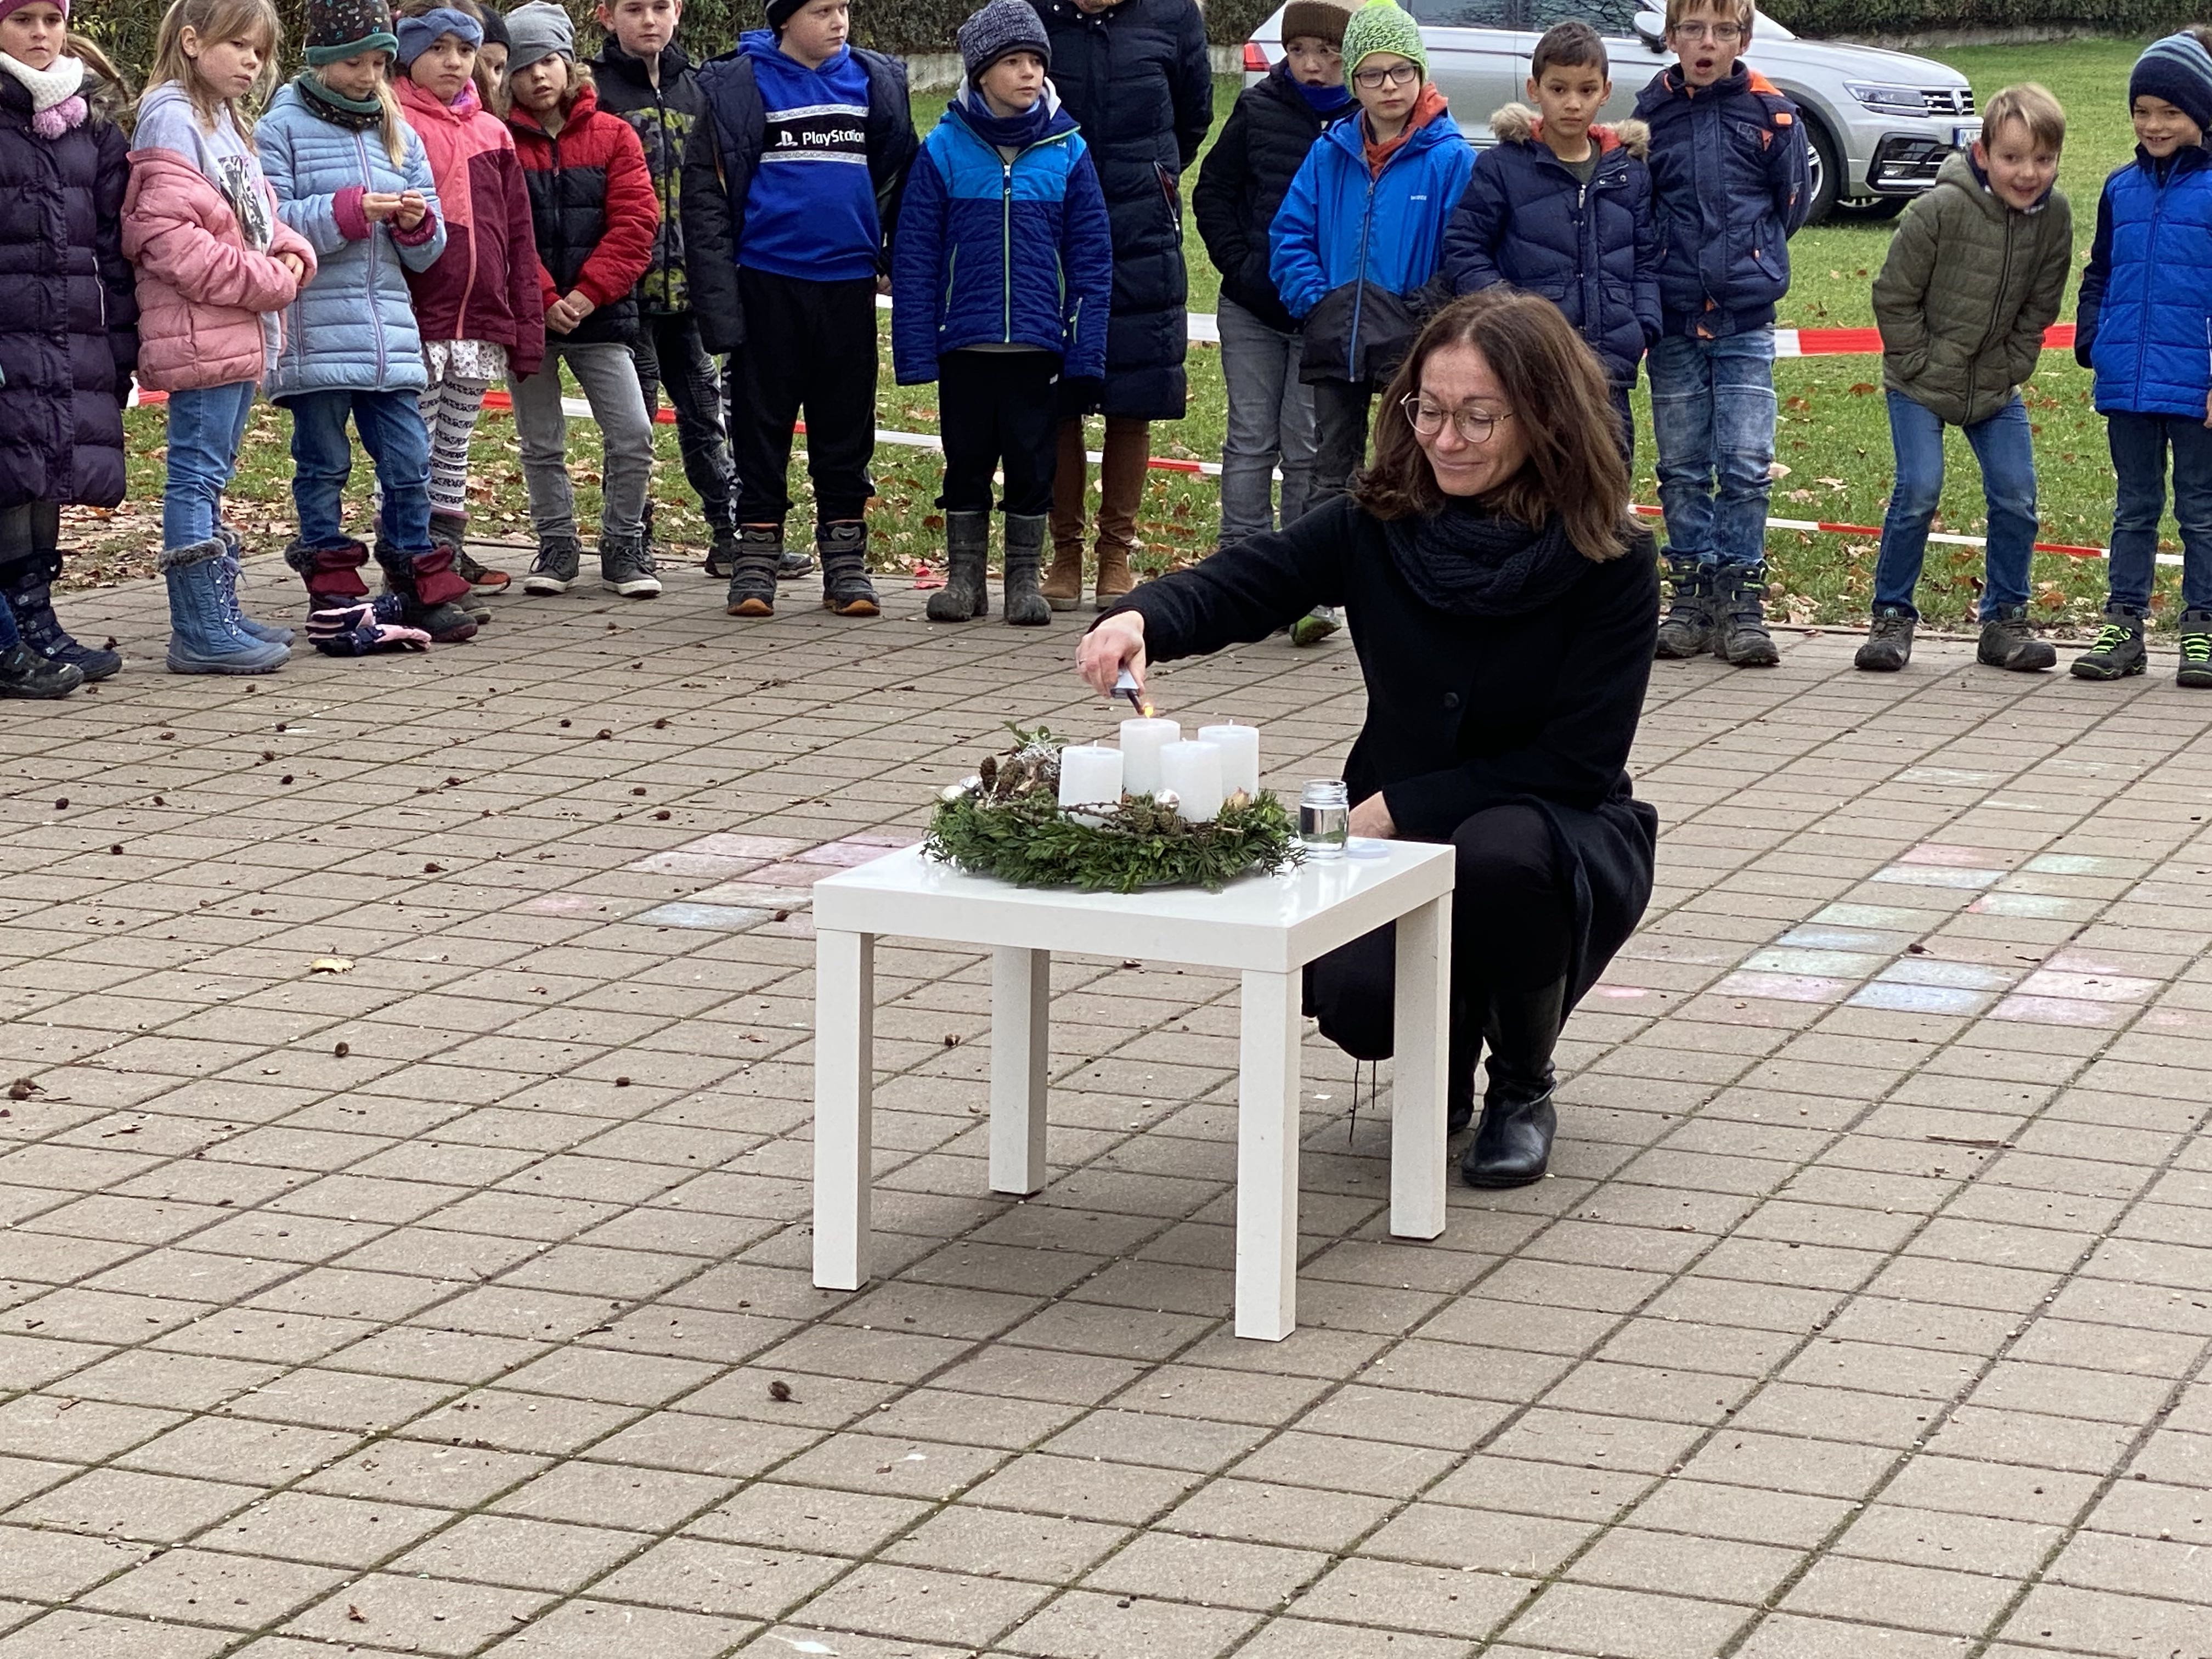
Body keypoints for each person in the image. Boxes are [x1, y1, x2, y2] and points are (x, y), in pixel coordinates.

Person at [1078, 291, 1660, 1188]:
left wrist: (1396, 807)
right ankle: (1443, 1039)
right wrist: (1140, 617)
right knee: (1360, 1004)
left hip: (1554, 824)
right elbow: (1253, 580)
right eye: (1426, 410)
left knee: (1499, 855)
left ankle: (1519, 1083)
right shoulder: (1379, 519)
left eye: (1477, 416)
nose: (1445, 437)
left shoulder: (1608, 557)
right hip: (1391, 821)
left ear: (1545, 415)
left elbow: (1576, 759)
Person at [683, 0, 916, 619]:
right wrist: (719, 304)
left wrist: (894, 252)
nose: (838, 20)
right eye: (821, 10)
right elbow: (705, 200)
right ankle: (755, 555)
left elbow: (903, 176)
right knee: (761, 425)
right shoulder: (737, 84)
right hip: (766, 282)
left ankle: (845, 562)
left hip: (847, 285)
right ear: (785, 20)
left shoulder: (875, 81)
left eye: (844, 7)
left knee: (846, 426)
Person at [257, 0, 471, 647]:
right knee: (322, 461)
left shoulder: (395, 125)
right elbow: (271, 220)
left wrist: (417, 225)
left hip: (388, 334)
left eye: (379, 63)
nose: (367, 75)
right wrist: (351, 211)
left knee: (409, 461)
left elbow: (427, 243)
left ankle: (413, 580)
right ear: (320, 60)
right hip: (317, 330)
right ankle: (331, 584)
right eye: (354, 61)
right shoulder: (279, 126)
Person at [891, 0, 1111, 628]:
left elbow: (1093, 257)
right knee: (965, 459)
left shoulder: (1069, 152)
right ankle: (964, 580)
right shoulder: (943, 151)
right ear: (981, 72)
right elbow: (916, 255)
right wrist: (916, 347)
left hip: (1040, 345)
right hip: (965, 342)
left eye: (1036, 62)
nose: (1029, 74)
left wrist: (1085, 347)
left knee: (1033, 461)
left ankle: (1023, 579)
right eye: (1013, 62)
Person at [126, 0, 318, 676]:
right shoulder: (172, 118)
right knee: (195, 475)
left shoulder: (226, 121)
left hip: (238, 327)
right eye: (239, 46)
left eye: (260, 52)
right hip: (200, 329)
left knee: (215, 472)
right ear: (190, 41)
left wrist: (292, 250)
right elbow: (169, 238)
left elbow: (255, 211)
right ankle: (200, 628)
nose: (252, 62)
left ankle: (220, 610)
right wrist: (269, 279)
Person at [1857, 84, 2071, 676]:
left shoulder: (2055, 217)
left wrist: (2011, 367)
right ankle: (1892, 616)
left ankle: (2004, 619)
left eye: (2043, 160)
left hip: (1995, 384)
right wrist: (1920, 361)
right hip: (1919, 379)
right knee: (1919, 489)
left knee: (2017, 495)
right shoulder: (1938, 210)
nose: (2028, 173)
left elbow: (2041, 307)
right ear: (1982, 154)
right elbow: (1893, 296)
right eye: (2012, 158)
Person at [1635, 0, 1808, 668]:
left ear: (1744, 37)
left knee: (1743, 462)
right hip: (1675, 320)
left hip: (1744, 321)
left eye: (1724, 31)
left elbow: (1787, 205)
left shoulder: (1774, 114)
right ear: (1672, 37)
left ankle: (1743, 598)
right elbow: (1640, 207)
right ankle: (1691, 595)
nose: (1708, 44)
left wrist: (1753, 263)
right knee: (1681, 466)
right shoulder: (1650, 114)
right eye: (1693, 30)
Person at [1029, 0, 1210, 613]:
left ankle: (1116, 553)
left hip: (1140, 224)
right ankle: (1065, 553)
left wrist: (1154, 177)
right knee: (1058, 400)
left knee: (1133, 396)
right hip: (1051, 217)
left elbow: (1193, 117)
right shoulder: (1032, 13)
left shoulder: (1172, 15)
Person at [1270, 0, 1474, 506]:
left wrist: (1421, 312)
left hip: (1413, 341)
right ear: (1354, 82)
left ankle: (1402, 575)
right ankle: (1324, 578)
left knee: (1409, 468)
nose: (1388, 86)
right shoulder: (1329, 153)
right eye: (1372, 74)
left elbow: (1465, 248)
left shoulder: (1452, 158)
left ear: (1420, 73)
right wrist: (1319, 302)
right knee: (1330, 473)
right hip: (1337, 335)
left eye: (1401, 71)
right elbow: (1289, 234)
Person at [1193, 0, 1351, 647]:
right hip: (1255, 307)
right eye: (1299, 52)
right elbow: (1214, 193)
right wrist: (1242, 264)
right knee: (1251, 437)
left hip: (1324, 310)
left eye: (1327, 54)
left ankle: (1303, 580)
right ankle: (1240, 569)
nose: (1311, 66)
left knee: (1310, 446)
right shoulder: (1258, 109)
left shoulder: (1360, 121)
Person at [501, 2, 662, 600]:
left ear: (570, 65)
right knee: (540, 440)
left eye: (547, 61)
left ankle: (623, 543)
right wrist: (543, 297)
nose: (538, 76)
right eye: (522, 66)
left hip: (602, 315)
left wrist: (587, 294)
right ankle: (557, 544)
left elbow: (635, 224)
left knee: (633, 433)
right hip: (530, 319)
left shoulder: (614, 135)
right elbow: (504, 232)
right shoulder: (500, 142)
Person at [0, 0, 135, 698]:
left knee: (49, 468)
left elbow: (113, 245)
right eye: (24, 20)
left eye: (52, 20)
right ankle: (10, 635)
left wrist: (121, 343)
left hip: (69, 327)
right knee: (9, 474)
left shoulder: (89, 125)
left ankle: (37, 617)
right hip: (10, 328)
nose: (42, 35)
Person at [1444, 20, 1656, 461]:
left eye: (1586, 90)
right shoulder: (1502, 167)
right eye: (1558, 90)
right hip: (1529, 365)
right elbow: (1464, 247)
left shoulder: (1629, 172)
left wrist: (1642, 324)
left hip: (1608, 366)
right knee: (1532, 483)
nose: (1573, 104)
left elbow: (1647, 258)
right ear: (1534, 90)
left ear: (1606, 91)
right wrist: (1508, 314)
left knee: (1608, 478)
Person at [2070, 32, 2212, 689]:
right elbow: (2100, 270)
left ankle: (2202, 627)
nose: (2153, 125)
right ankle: (2123, 623)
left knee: (2201, 509)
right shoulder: (2119, 188)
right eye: (2142, 111)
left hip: (2197, 386)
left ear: (2201, 115)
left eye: (2170, 112)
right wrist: (2095, 339)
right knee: (2134, 507)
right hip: (2127, 381)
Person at [394, 0, 544, 598]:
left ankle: (446, 551)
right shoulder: (395, 125)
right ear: (408, 53)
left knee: (455, 443)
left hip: (479, 317)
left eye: (464, 50)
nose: (454, 63)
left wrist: (523, 321)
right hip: (422, 315)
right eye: (438, 49)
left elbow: (517, 233)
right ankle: (405, 553)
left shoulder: (494, 132)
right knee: (413, 441)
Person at [592, 0, 747, 580]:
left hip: (689, 293)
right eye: (635, 9)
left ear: (678, 12)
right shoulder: (596, 91)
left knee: (705, 416)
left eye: (661, 6)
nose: (650, 20)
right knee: (631, 424)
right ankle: (630, 537)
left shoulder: (701, 90)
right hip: (623, 296)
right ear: (606, 16)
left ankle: (730, 534)